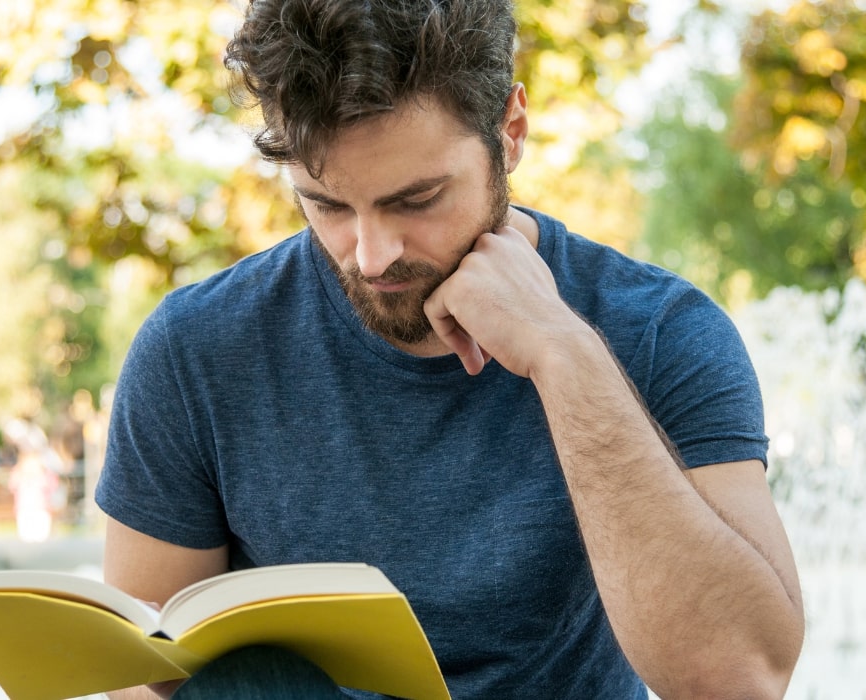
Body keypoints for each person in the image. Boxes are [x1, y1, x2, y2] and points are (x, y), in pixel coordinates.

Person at [95, 1, 805, 698]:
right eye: (328, 205)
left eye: (417, 199)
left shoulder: (659, 330)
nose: (371, 258)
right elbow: (142, 672)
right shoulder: (196, 348)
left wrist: (564, 356)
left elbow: (738, 681)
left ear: (512, 131)